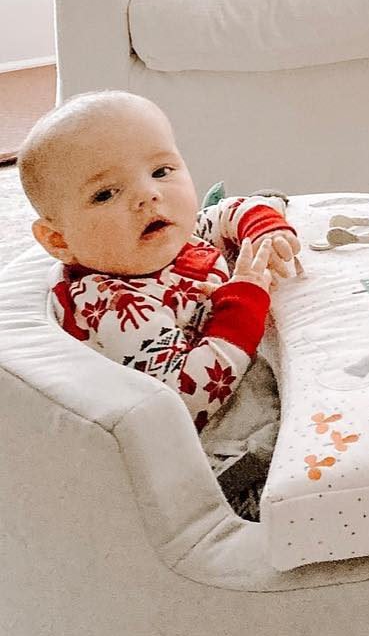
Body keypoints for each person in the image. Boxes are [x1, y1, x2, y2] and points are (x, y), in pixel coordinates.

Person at [18, 90, 303, 511]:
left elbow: (222, 215)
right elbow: (191, 395)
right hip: (232, 457)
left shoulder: (162, 240)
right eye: (105, 194)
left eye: (161, 170)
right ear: (59, 239)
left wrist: (263, 228)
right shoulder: (113, 305)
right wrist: (245, 296)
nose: (147, 195)